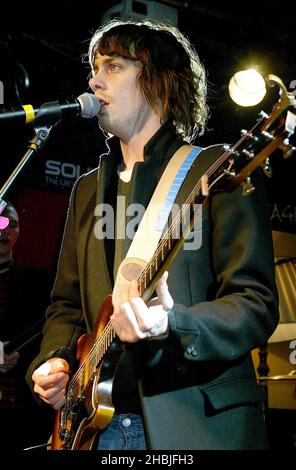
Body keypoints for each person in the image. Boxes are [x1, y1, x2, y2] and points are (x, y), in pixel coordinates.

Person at [27, 18, 279, 450]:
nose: (94, 79)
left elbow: (255, 304)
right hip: (97, 427)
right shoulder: (88, 188)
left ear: (160, 81)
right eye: (95, 66)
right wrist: (56, 360)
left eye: (114, 66)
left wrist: (172, 323)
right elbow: (67, 306)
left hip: (195, 426)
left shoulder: (217, 173)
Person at [0, 202, 53, 449]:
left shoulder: (34, 283)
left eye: (14, 225)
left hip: (19, 411)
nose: (6, 231)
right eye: (1, 222)